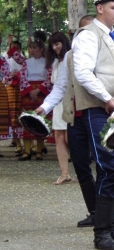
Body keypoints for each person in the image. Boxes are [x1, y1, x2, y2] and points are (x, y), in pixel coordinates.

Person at [72, 0, 114, 250]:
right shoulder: (88, 35)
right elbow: (83, 73)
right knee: (110, 166)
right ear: (99, 8)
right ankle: (101, 233)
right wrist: (107, 99)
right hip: (99, 108)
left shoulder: (112, 36)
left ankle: (108, 228)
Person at [18, 31, 52, 161]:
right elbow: (22, 77)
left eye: (34, 48)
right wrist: (28, 90)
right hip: (28, 93)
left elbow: (49, 78)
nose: (32, 50)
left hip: (41, 93)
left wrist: (39, 90)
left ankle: (39, 150)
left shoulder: (47, 62)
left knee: (40, 121)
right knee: (26, 120)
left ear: (41, 49)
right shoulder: (26, 62)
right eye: (30, 48)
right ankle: (27, 151)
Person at [45, 32, 71, 184]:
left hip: (69, 100)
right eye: (53, 45)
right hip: (57, 102)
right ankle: (64, 173)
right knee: (59, 136)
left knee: (71, 137)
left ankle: (82, 171)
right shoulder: (55, 63)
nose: (55, 48)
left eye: (57, 44)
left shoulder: (72, 58)